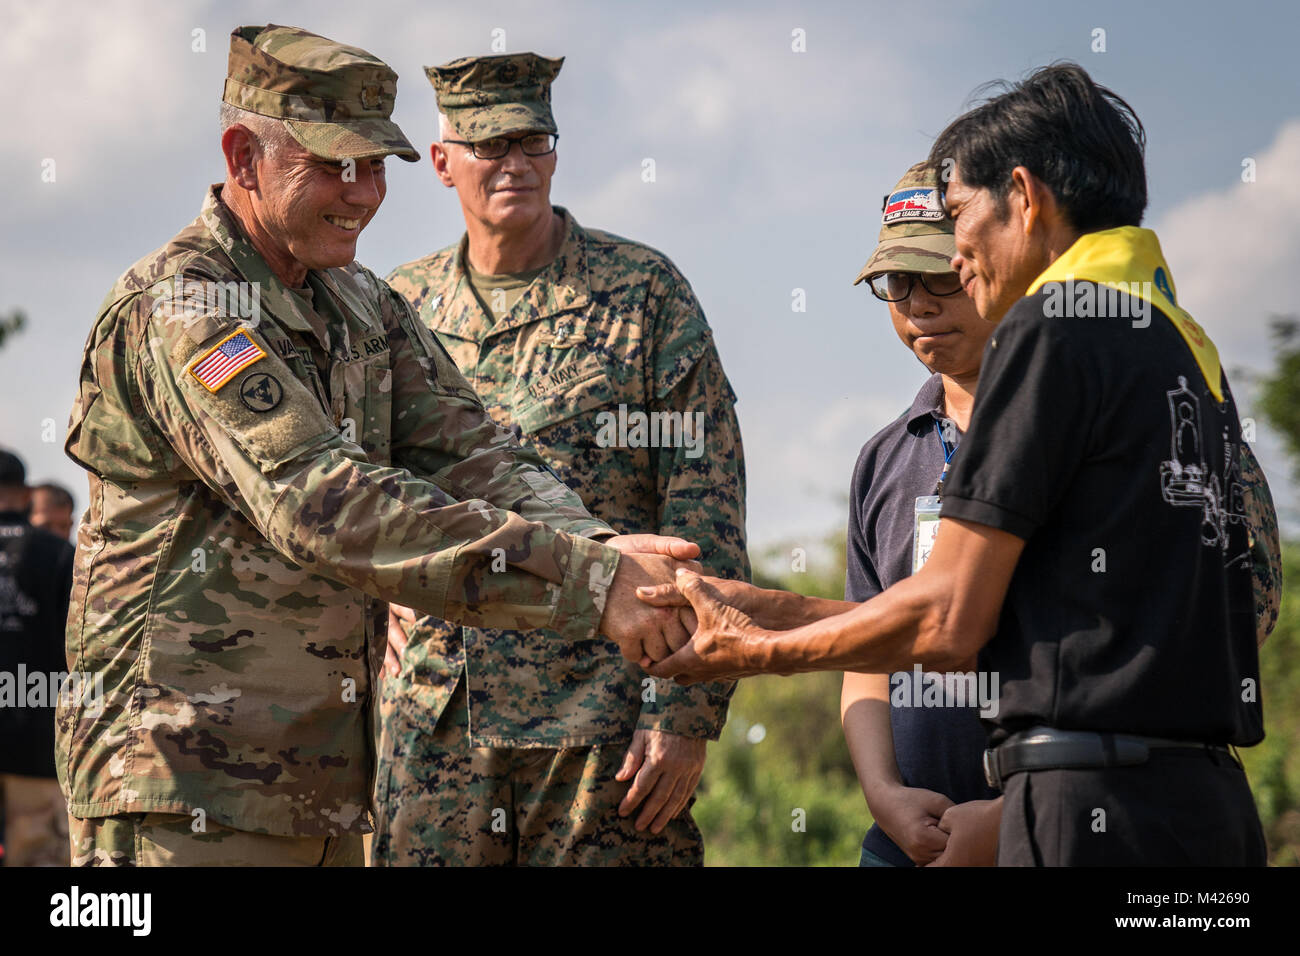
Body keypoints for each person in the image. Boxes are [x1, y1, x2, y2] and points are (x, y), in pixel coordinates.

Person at [59, 24, 695, 868]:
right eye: (331, 164)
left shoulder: (361, 301)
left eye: (375, 166)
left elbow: (476, 455)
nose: (361, 193)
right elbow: (323, 503)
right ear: (243, 156)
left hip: (319, 792)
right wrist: (591, 583)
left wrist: (609, 552)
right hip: (180, 792)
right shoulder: (184, 308)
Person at [642, 63, 1271, 866]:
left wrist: (756, 647)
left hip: (1086, 812)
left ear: (1023, 194)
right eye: (898, 282)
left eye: (958, 217)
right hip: (1203, 816)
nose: (958, 259)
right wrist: (761, 605)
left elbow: (947, 620)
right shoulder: (1185, 351)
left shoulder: (1051, 329)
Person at [376, 52, 748, 866]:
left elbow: (704, 506)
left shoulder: (643, 293)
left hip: (604, 724)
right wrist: (370, 622)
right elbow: (352, 493)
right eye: (489, 144)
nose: (515, 163)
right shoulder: (397, 306)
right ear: (441, 164)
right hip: (438, 719)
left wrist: (683, 715)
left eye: (532, 141)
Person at [840, 163, 999, 868]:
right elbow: (867, 656)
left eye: (940, 275)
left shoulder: (1073, 435)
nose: (918, 305)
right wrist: (883, 794)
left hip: (1056, 829)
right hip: (910, 842)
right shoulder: (883, 459)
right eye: (897, 283)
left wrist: (1012, 818)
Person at [0, 450, 74, 866]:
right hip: (35, 742)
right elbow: (79, 648)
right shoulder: (58, 553)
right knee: (38, 858)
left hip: (35, 744)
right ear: (27, 494)